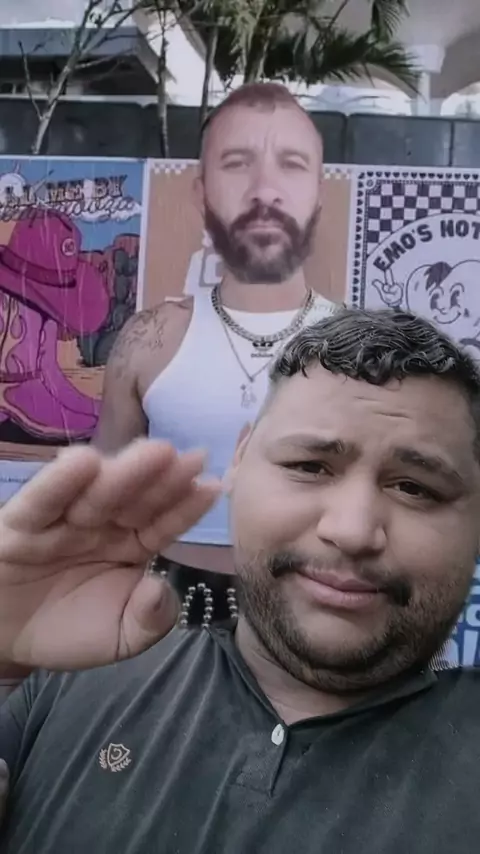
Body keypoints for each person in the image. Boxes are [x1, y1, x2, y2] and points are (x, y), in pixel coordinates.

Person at [1, 307, 480, 852]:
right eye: (309, 466)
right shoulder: (73, 673)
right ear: (240, 459)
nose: (351, 531)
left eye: (415, 488)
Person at [92, 81, 338, 625]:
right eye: (237, 163)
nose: (265, 190)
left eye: (291, 165)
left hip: (319, 629)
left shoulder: (363, 348)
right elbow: (100, 505)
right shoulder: (148, 341)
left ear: (319, 193)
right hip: (161, 626)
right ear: (201, 193)